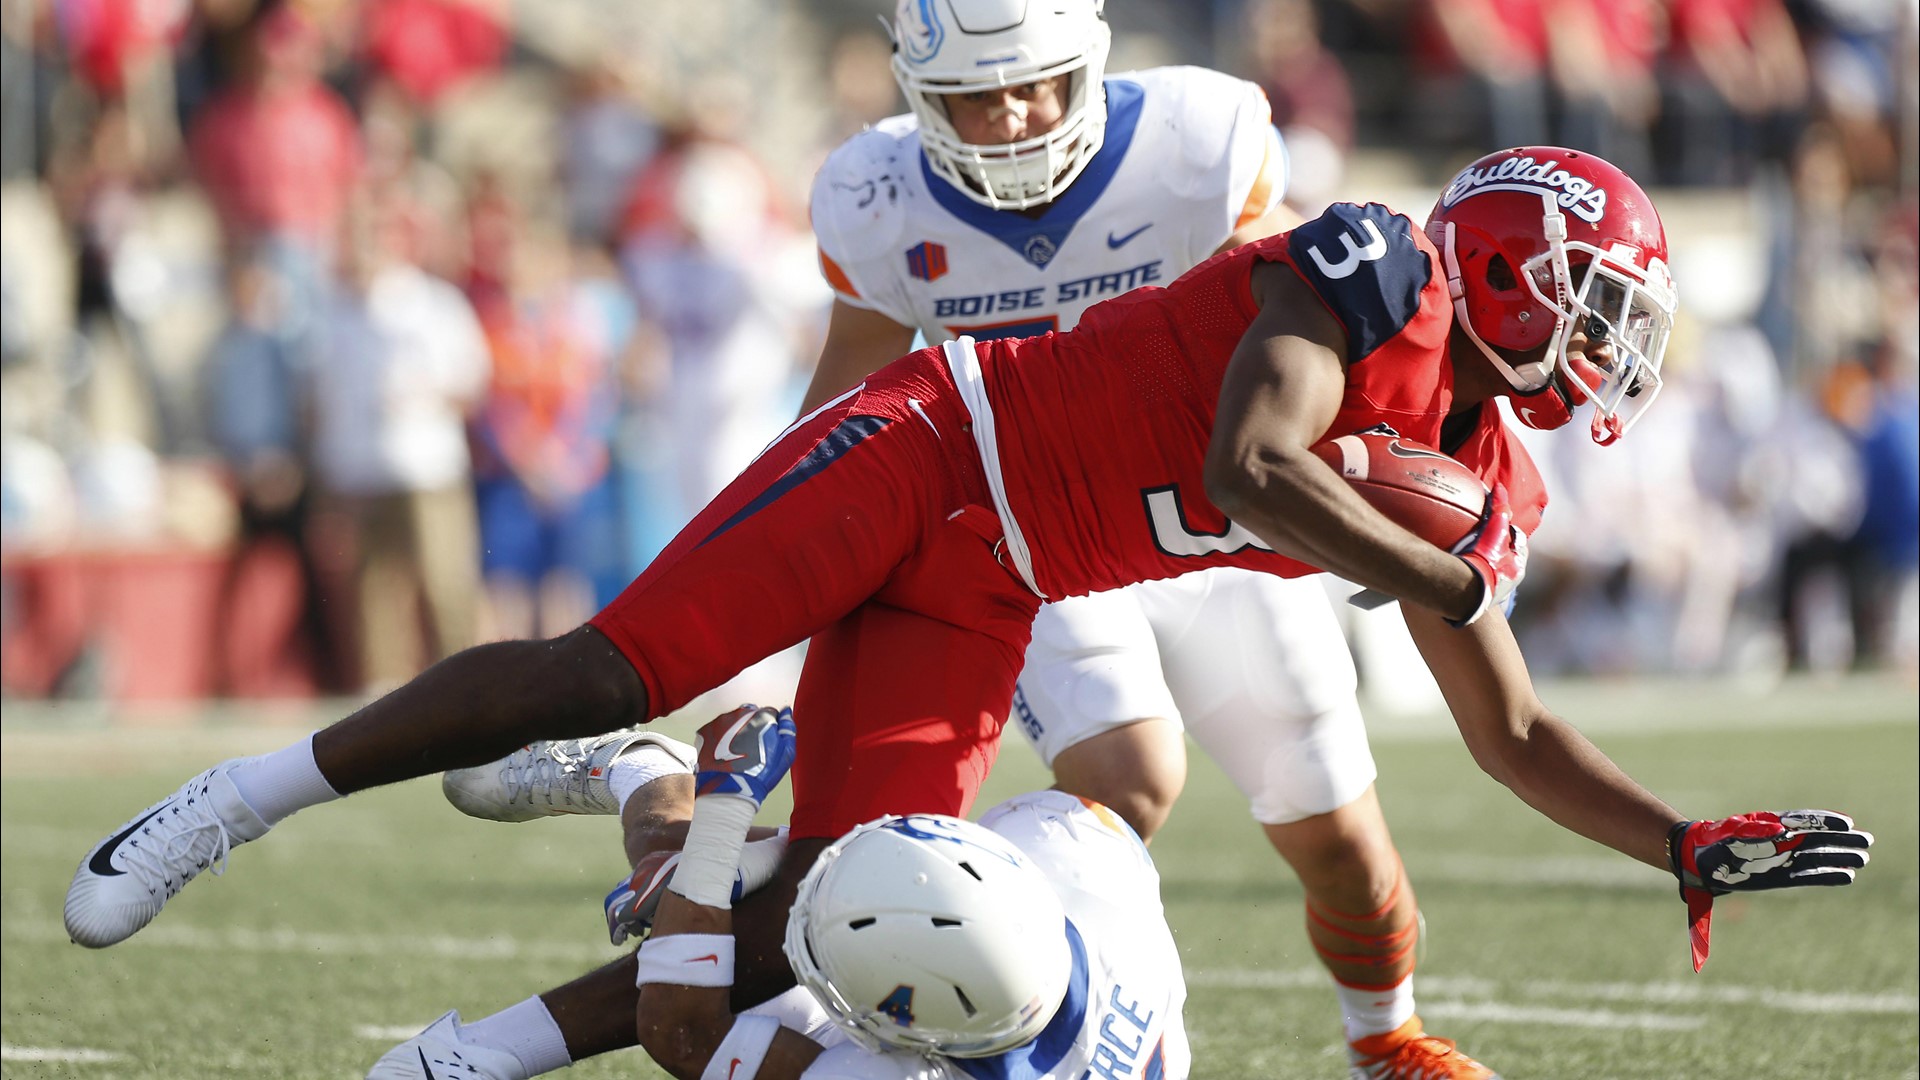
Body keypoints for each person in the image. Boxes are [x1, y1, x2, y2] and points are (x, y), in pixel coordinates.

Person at [65, 146, 1875, 1079]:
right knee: (605, 658)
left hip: (998, 585)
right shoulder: (1378, 262)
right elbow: (1256, 461)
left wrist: (1679, 846)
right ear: (1503, 258)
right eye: (1594, 298)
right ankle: (242, 795)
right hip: (926, 452)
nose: (1608, 341)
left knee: (825, 925)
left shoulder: (1490, 483)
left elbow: (1512, 728)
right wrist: (1433, 567)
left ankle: (483, 1047)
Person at [446, 3, 1487, 1072]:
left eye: (1031, 87)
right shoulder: (879, 191)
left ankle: (1386, 1039)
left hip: (1214, 519)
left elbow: (1302, 337)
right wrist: (803, 557)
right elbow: (844, 391)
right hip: (1029, 527)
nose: (1009, 121)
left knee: (1338, 835)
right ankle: (961, 987)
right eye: (970, 96)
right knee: (1128, 785)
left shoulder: (1196, 140)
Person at [374, 706, 1190, 1080]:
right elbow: (942, 876)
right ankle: (666, 820)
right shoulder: (1084, 853)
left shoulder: (1075, 851)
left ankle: (649, 781)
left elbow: (683, 1032)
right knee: (780, 887)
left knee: (748, 963)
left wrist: (728, 810)